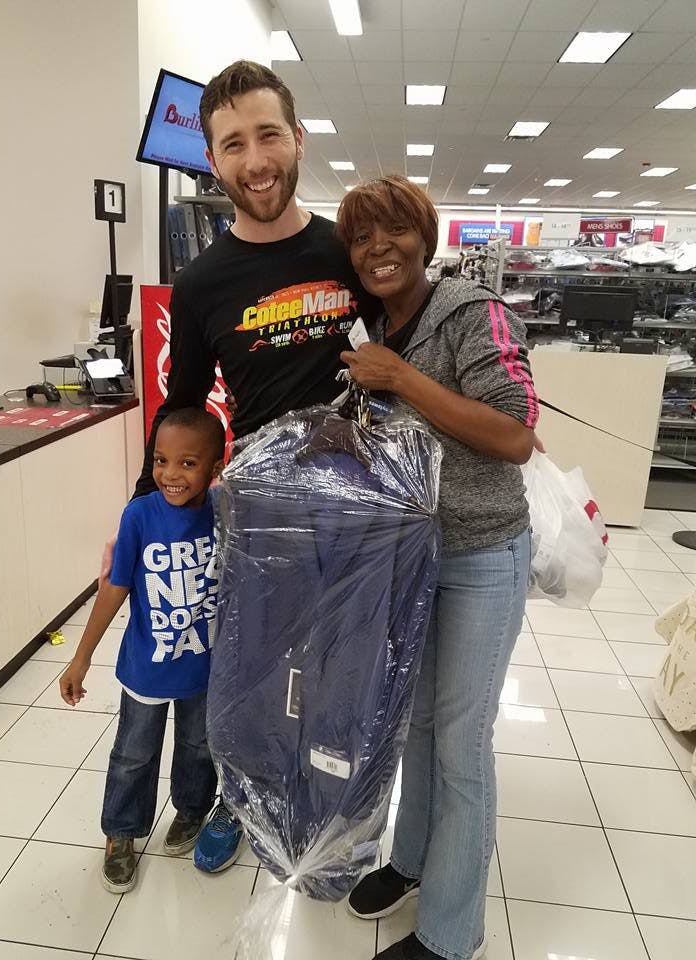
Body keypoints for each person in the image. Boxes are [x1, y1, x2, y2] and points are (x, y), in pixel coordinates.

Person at [100, 60, 375, 874]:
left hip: (360, 503)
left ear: (297, 139)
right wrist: (140, 516)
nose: (255, 160)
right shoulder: (202, 282)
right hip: (259, 511)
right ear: (212, 162)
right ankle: (236, 798)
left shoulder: (347, 252)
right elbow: (181, 407)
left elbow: (401, 357)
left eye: (267, 136)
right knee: (249, 669)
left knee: (341, 672)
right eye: (233, 144)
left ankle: (331, 810)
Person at [336, 176, 538, 960]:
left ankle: (452, 935)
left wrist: (402, 379)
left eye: (392, 231)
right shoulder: (372, 326)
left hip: (484, 554)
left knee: (461, 740)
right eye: (361, 238)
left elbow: (516, 434)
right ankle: (414, 859)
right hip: (411, 559)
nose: (377, 248)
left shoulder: (470, 314)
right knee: (417, 720)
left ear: (424, 236)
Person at [60, 408, 225, 893]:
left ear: (215, 466)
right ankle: (121, 833)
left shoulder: (226, 511)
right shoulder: (140, 515)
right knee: (133, 754)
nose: (170, 475)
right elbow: (114, 587)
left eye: (188, 463)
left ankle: (192, 810)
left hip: (206, 665)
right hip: (148, 667)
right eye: (161, 460)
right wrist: (82, 656)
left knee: (199, 747)